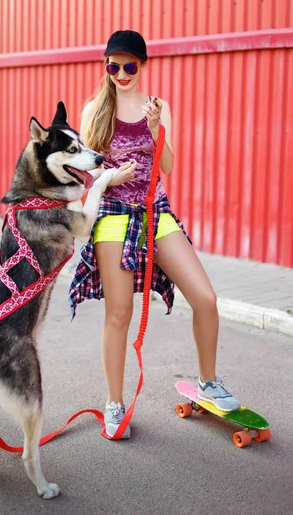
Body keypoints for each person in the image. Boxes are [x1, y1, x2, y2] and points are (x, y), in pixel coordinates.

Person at [69, 30, 240, 439]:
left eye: (130, 66)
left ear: (142, 65)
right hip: (112, 213)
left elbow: (168, 165)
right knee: (119, 313)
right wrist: (110, 175)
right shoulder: (93, 110)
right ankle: (114, 404)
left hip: (154, 211)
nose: (122, 73)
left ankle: (208, 382)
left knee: (205, 297)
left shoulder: (158, 107)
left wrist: (153, 126)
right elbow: (86, 173)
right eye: (114, 66)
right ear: (106, 66)